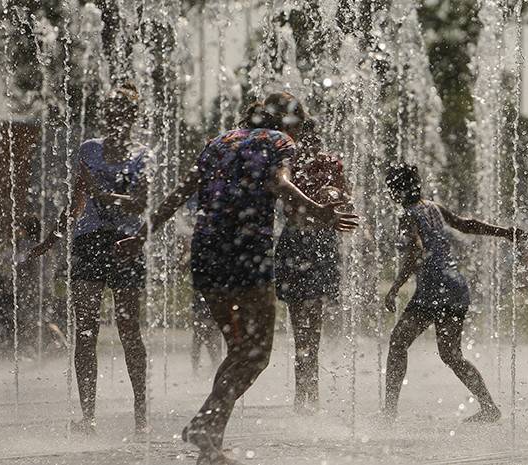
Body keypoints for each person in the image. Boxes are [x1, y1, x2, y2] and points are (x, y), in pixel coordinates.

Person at [118, 92, 357, 465]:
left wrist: (144, 234)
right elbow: (280, 183)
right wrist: (320, 212)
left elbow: (182, 191)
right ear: (286, 121)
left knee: (238, 352)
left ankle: (210, 446)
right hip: (247, 254)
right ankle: (204, 425)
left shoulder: (218, 142)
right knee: (256, 354)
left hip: (207, 254)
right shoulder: (279, 141)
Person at [28, 83, 149, 435]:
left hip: (126, 244)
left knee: (129, 331)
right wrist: (51, 240)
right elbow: (77, 202)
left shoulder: (143, 155)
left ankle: (141, 417)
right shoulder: (89, 150)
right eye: (111, 113)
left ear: (133, 117)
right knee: (85, 331)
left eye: (123, 113)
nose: (116, 119)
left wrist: (105, 194)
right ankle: (89, 416)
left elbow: (140, 204)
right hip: (90, 243)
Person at [382, 163, 524, 423]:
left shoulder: (408, 214)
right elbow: (465, 224)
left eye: (390, 187)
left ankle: (389, 413)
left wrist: (394, 287)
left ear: (396, 190)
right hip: (456, 287)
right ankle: (488, 407)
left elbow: (414, 251)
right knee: (451, 354)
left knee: (398, 343)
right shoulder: (433, 207)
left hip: (434, 289)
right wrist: (503, 232)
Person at [275, 118, 350, 414]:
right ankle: (303, 393)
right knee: (301, 327)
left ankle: (310, 393)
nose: (310, 143)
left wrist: (335, 197)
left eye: (313, 138)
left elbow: (345, 197)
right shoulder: (287, 163)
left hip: (318, 242)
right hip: (298, 240)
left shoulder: (330, 163)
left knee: (311, 326)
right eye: (304, 138)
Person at [190, 291, 222, 374]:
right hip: (202, 326)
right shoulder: (198, 296)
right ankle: (196, 370)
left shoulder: (208, 294)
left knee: (210, 348)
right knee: (198, 349)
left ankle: (215, 368)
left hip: (208, 326)